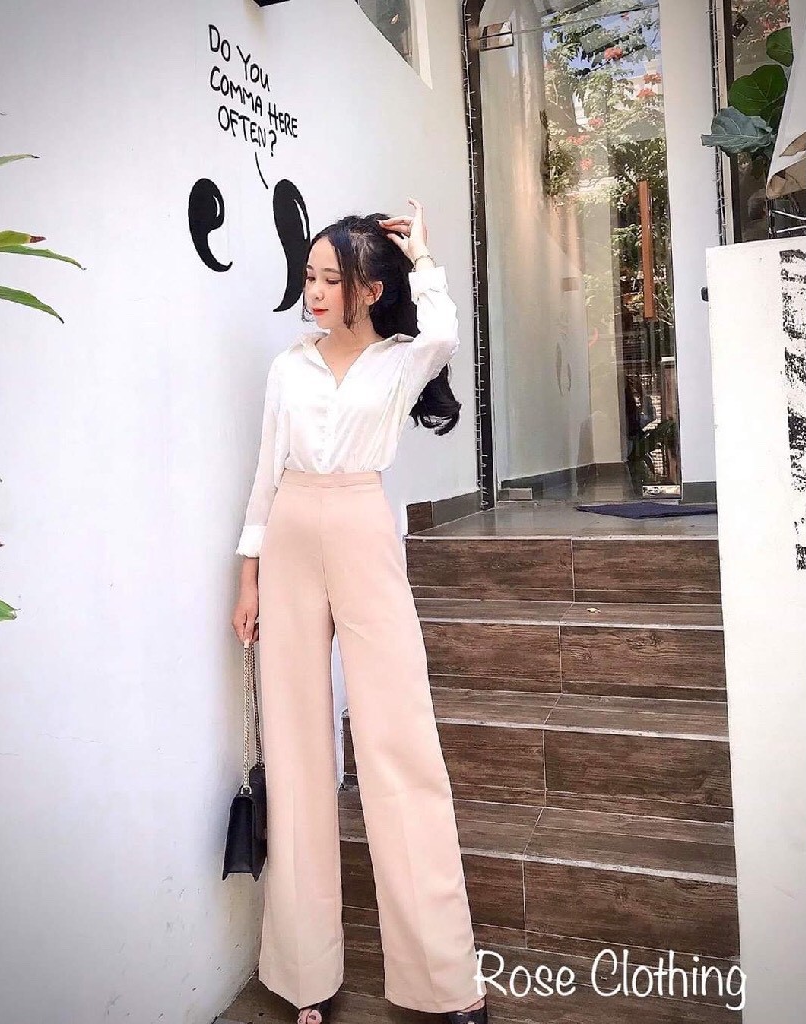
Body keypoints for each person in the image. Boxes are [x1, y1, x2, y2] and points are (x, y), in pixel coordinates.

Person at [231, 200, 488, 1024]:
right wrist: (248, 576)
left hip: (361, 525)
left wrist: (426, 256)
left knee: (398, 739)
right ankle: (303, 974)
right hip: (290, 532)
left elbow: (444, 329)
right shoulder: (289, 368)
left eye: (328, 279)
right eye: (308, 277)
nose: (312, 292)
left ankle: (443, 978)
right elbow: (266, 473)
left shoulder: (400, 359)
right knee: (296, 747)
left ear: (369, 290)